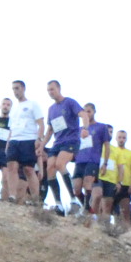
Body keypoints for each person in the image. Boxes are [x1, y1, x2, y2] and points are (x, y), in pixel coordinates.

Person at [41, 80, 82, 210]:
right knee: (50, 168)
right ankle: (58, 203)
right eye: (48, 90)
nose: (50, 92)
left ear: (59, 88)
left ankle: (73, 199)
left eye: (52, 89)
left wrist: (85, 128)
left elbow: (83, 114)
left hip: (70, 140)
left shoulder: (70, 102)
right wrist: (41, 146)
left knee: (60, 164)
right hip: (57, 142)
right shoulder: (51, 109)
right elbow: (50, 130)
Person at [6, 80, 44, 204]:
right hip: (14, 140)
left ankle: (35, 199)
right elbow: (11, 128)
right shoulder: (13, 108)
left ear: (23, 88)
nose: (15, 91)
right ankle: (12, 195)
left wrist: (39, 139)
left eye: (17, 88)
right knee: (12, 166)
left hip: (28, 139)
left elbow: (41, 124)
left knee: (29, 169)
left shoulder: (33, 104)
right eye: (13, 89)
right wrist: (8, 143)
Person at [102, 128, 131, 225]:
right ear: (116, 138)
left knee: (125, 211)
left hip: (126, 184)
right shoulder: (112, 150)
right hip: (113, 183)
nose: (121, 139)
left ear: (126, 139)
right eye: (119, 137)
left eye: (123, 138)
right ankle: (107, 227)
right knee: (109, 209)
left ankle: (127, 230)